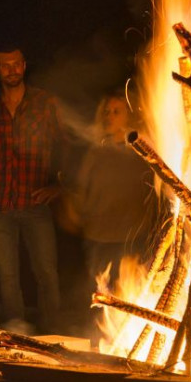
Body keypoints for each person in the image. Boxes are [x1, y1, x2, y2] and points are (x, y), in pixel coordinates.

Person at [0, 44, 65, 333]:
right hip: (0, 203)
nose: (11, 70)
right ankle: (17, 332)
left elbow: (64, 145)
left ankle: (51, 334)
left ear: (24, 66)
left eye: (16, 64)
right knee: (8, 275)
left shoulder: (45, 103)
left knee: (46, 273)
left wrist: (59, 185)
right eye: (5, 66)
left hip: (35, 202)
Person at [70, 93, 152, 294]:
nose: (110, 116)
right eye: (107, 112)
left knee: (131, 294)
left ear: (128, 116)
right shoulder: (96, 151)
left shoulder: (141, 150)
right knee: (102, 295)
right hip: (99, 237)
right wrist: (76, 212)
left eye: (117, 112)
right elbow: (80, 188)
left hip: (131, 237)